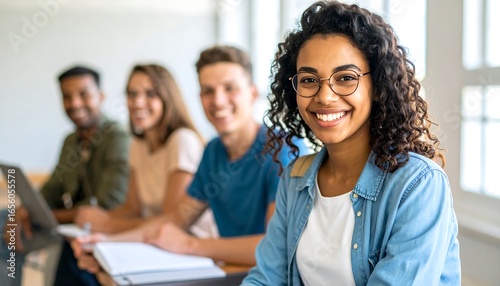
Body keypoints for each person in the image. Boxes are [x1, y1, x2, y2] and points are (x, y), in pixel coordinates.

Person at [242, 1, 461, 285]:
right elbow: (265, 278)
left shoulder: (418, 185)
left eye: (345, 78)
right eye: (309, 79)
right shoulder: (295, 179)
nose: (325, 97)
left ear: (378, 85)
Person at [72, 46, 310, 278]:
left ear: (252, 94)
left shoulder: (285, 148)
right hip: (234, 272)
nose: (218, 100)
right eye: (208, 91)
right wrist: (103, 243)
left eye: (230, 88)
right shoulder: (214, 151)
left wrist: (189, 244)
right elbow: (175, 220)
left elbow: (275, 249)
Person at [55, 64, 216, 285]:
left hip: (185, 247)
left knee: (95, 266)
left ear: (167, 98)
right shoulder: (137, 145)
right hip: (150, 242)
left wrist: (109, 226)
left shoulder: (182, 140)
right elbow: (132, 209)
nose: (138, 102)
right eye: (132, 94)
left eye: (149, 94)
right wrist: (98, 221)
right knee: (81, 252)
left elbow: (171, 223)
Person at [0, 66, 130, 286]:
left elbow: (107, 205)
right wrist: (25, 209)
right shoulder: (72, 141)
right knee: (7, 221)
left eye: (83, 94)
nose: (75, 103)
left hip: (100, 227)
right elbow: (51, 189)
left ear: (101, 96)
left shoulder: (117, 138)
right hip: (70, 224)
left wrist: (46, 216)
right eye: (67, 97)